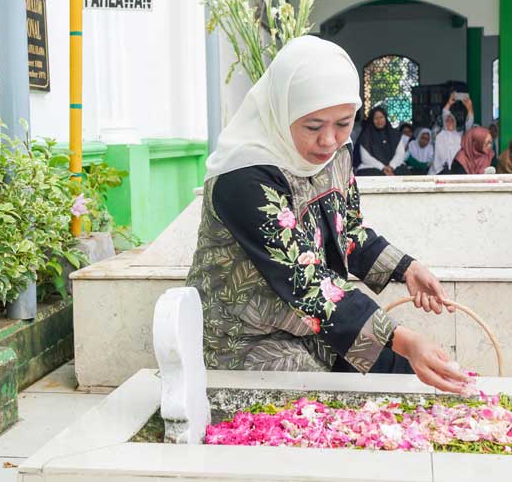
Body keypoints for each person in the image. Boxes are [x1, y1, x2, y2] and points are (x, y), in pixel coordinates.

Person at [186, 36, 473, 393]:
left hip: (318, 328)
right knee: (334, 411)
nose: (329, 140)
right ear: (282, 111)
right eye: (313, 126)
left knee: (404, 381)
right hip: (249, 339)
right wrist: (403, 338)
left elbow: (347, 230)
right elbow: (305, 283)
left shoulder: (337, 152)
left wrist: (407, 269)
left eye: (344, 122)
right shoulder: (244, 175)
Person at [355, 107, 410, 176]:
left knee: (404, 172)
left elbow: (400, 154)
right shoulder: (366, 136)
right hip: (372, 167)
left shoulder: (395, 135)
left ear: (385, 118)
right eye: (376, 118)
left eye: (381, 117)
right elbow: (365, 158)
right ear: (372, 120)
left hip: (394, 166)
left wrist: (391, 166)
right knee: (370, 174)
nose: (379, 120)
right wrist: (383, 168)